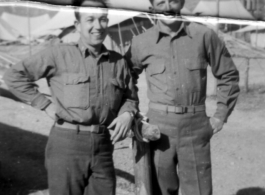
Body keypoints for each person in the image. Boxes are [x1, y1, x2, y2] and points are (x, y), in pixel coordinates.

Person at [4, 0, 138, 195]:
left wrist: (127, 114)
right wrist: (44, 105)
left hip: (103, 145)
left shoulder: (118, 62)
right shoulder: (59, 54)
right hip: (67, 144)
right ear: (77, 25)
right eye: (90, 19)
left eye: (102, 20)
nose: (97, 26)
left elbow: (131, 97)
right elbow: (14, 76)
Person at [126, 0, 240, 195]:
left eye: (173, 1)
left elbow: (228, 75)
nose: (168, 7)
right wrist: (135, 116)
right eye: (161, 2)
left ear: (182, 2)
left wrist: (220, 115)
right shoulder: (140, 42)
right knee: (160, 189)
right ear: (153, 7)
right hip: (158, 129)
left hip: (195, 127)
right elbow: (125, 78)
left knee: (199, 190)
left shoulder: (203, 35)